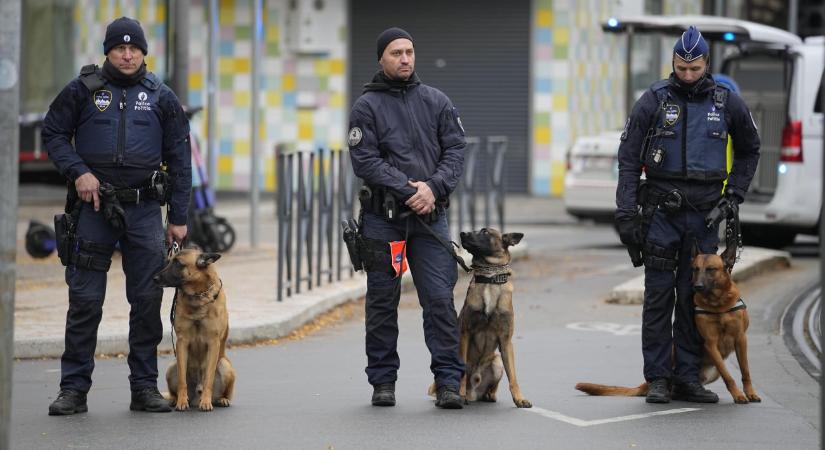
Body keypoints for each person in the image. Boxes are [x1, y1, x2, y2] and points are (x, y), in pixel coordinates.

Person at [42, 16, 192, 415]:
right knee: (85, 301)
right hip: (92, 209)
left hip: (144, 212)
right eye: (119, 48)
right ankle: (73, 389)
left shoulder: (160, 96)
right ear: (107, 51)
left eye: (134, 48)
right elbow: (53, 133)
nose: (127, 55)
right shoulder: (83, 90)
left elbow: (180, 158)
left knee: (146, 302)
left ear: (144, 52)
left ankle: (143, 388)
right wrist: (79, 173)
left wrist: (178, 216)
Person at [615, 26, 760, 404]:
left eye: (695, 69)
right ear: (674, 64)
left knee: (694, 298)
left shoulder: (727, 102)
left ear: (706, 65)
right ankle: (659, 378)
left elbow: (750, 150)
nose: (688, 76)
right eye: (682, 68)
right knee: (659, 297)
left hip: (706, 217)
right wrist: (626, 212)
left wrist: (735, 196)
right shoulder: (654, 100)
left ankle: (688, 378)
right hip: (662, 213)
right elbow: (629, 158)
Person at [348, 27, 466, 409]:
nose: (405, 59)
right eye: (396, 52)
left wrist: (432, 188)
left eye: (410, 52)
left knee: (438, 300)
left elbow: (455, 151)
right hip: (384, 220)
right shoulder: (366, 107)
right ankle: (383, 382)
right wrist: (408, 189)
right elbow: (364, 160)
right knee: (383, 301)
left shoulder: (437, 101)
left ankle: (449, 382)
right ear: (381, 59)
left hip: (430, 219)